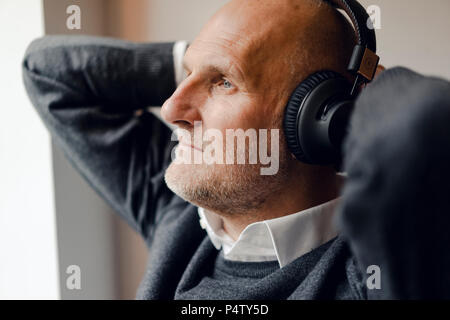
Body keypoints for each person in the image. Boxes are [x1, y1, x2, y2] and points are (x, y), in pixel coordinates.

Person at [23, 0, 450, 299]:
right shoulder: (183, 220)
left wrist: (351, 103)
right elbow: (47, 71)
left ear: (311, 118)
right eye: (185, 77)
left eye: (223, 83)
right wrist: (201, 61)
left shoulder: (378, 270)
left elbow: (423, 124)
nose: (171, 107)